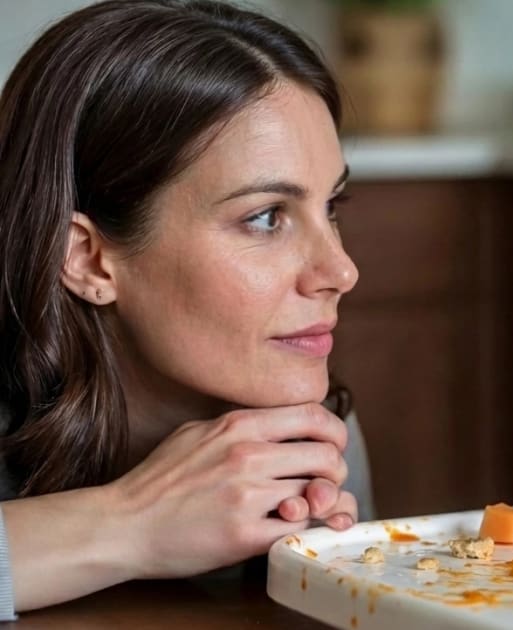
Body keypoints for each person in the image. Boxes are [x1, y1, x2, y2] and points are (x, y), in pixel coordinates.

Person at [0, 0, 375, 616]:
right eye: (264, 217)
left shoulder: (314, 428)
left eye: (331, 206)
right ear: (89, 261)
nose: (341, 271)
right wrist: (132, 523)